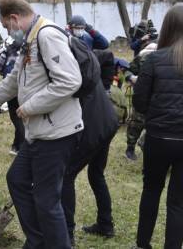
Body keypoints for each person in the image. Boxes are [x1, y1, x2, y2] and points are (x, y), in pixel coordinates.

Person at [0, 0, 83, 248]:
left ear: (14, 18)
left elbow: (70, 81)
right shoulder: (30, 40)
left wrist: (29, 106)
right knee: (17, 179)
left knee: (47, 200)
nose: (8, 32)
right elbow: (12, 80)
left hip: (57, 134)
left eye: (7, 27)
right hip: (39, 133)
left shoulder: (47, 36)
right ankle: (38, 240)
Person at [132, 4, 183, 249]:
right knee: (178, 202)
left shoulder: (153, 59)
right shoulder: (153, 60)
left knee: (151, 191)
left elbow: (139, 102)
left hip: (158, 138)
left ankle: (142, 244)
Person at [62, 51, 119, 245]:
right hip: (108, 121)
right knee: (96, 174)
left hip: (94, 127)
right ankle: (105, 225)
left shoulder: (66, 60)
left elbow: (109, 55)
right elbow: (107, 56)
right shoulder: (82, 55)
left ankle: (67, 235)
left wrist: (106, 84)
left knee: (66, 174)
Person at [125, 43, 157, 161]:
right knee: (136, 123)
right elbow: (127, 71)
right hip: (142, 95)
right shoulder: (142, 57)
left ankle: (145, 145)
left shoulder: (167, 58)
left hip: (158, 97)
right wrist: (132, 78)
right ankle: (130, 148)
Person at [0, 35, 25, 155]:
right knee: (22, 115)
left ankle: (23, 147)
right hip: (26, 84)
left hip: (11, 84)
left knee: (16, 117)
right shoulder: (29, 45)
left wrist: (3, 72)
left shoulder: (7, 45)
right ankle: (16, 146)